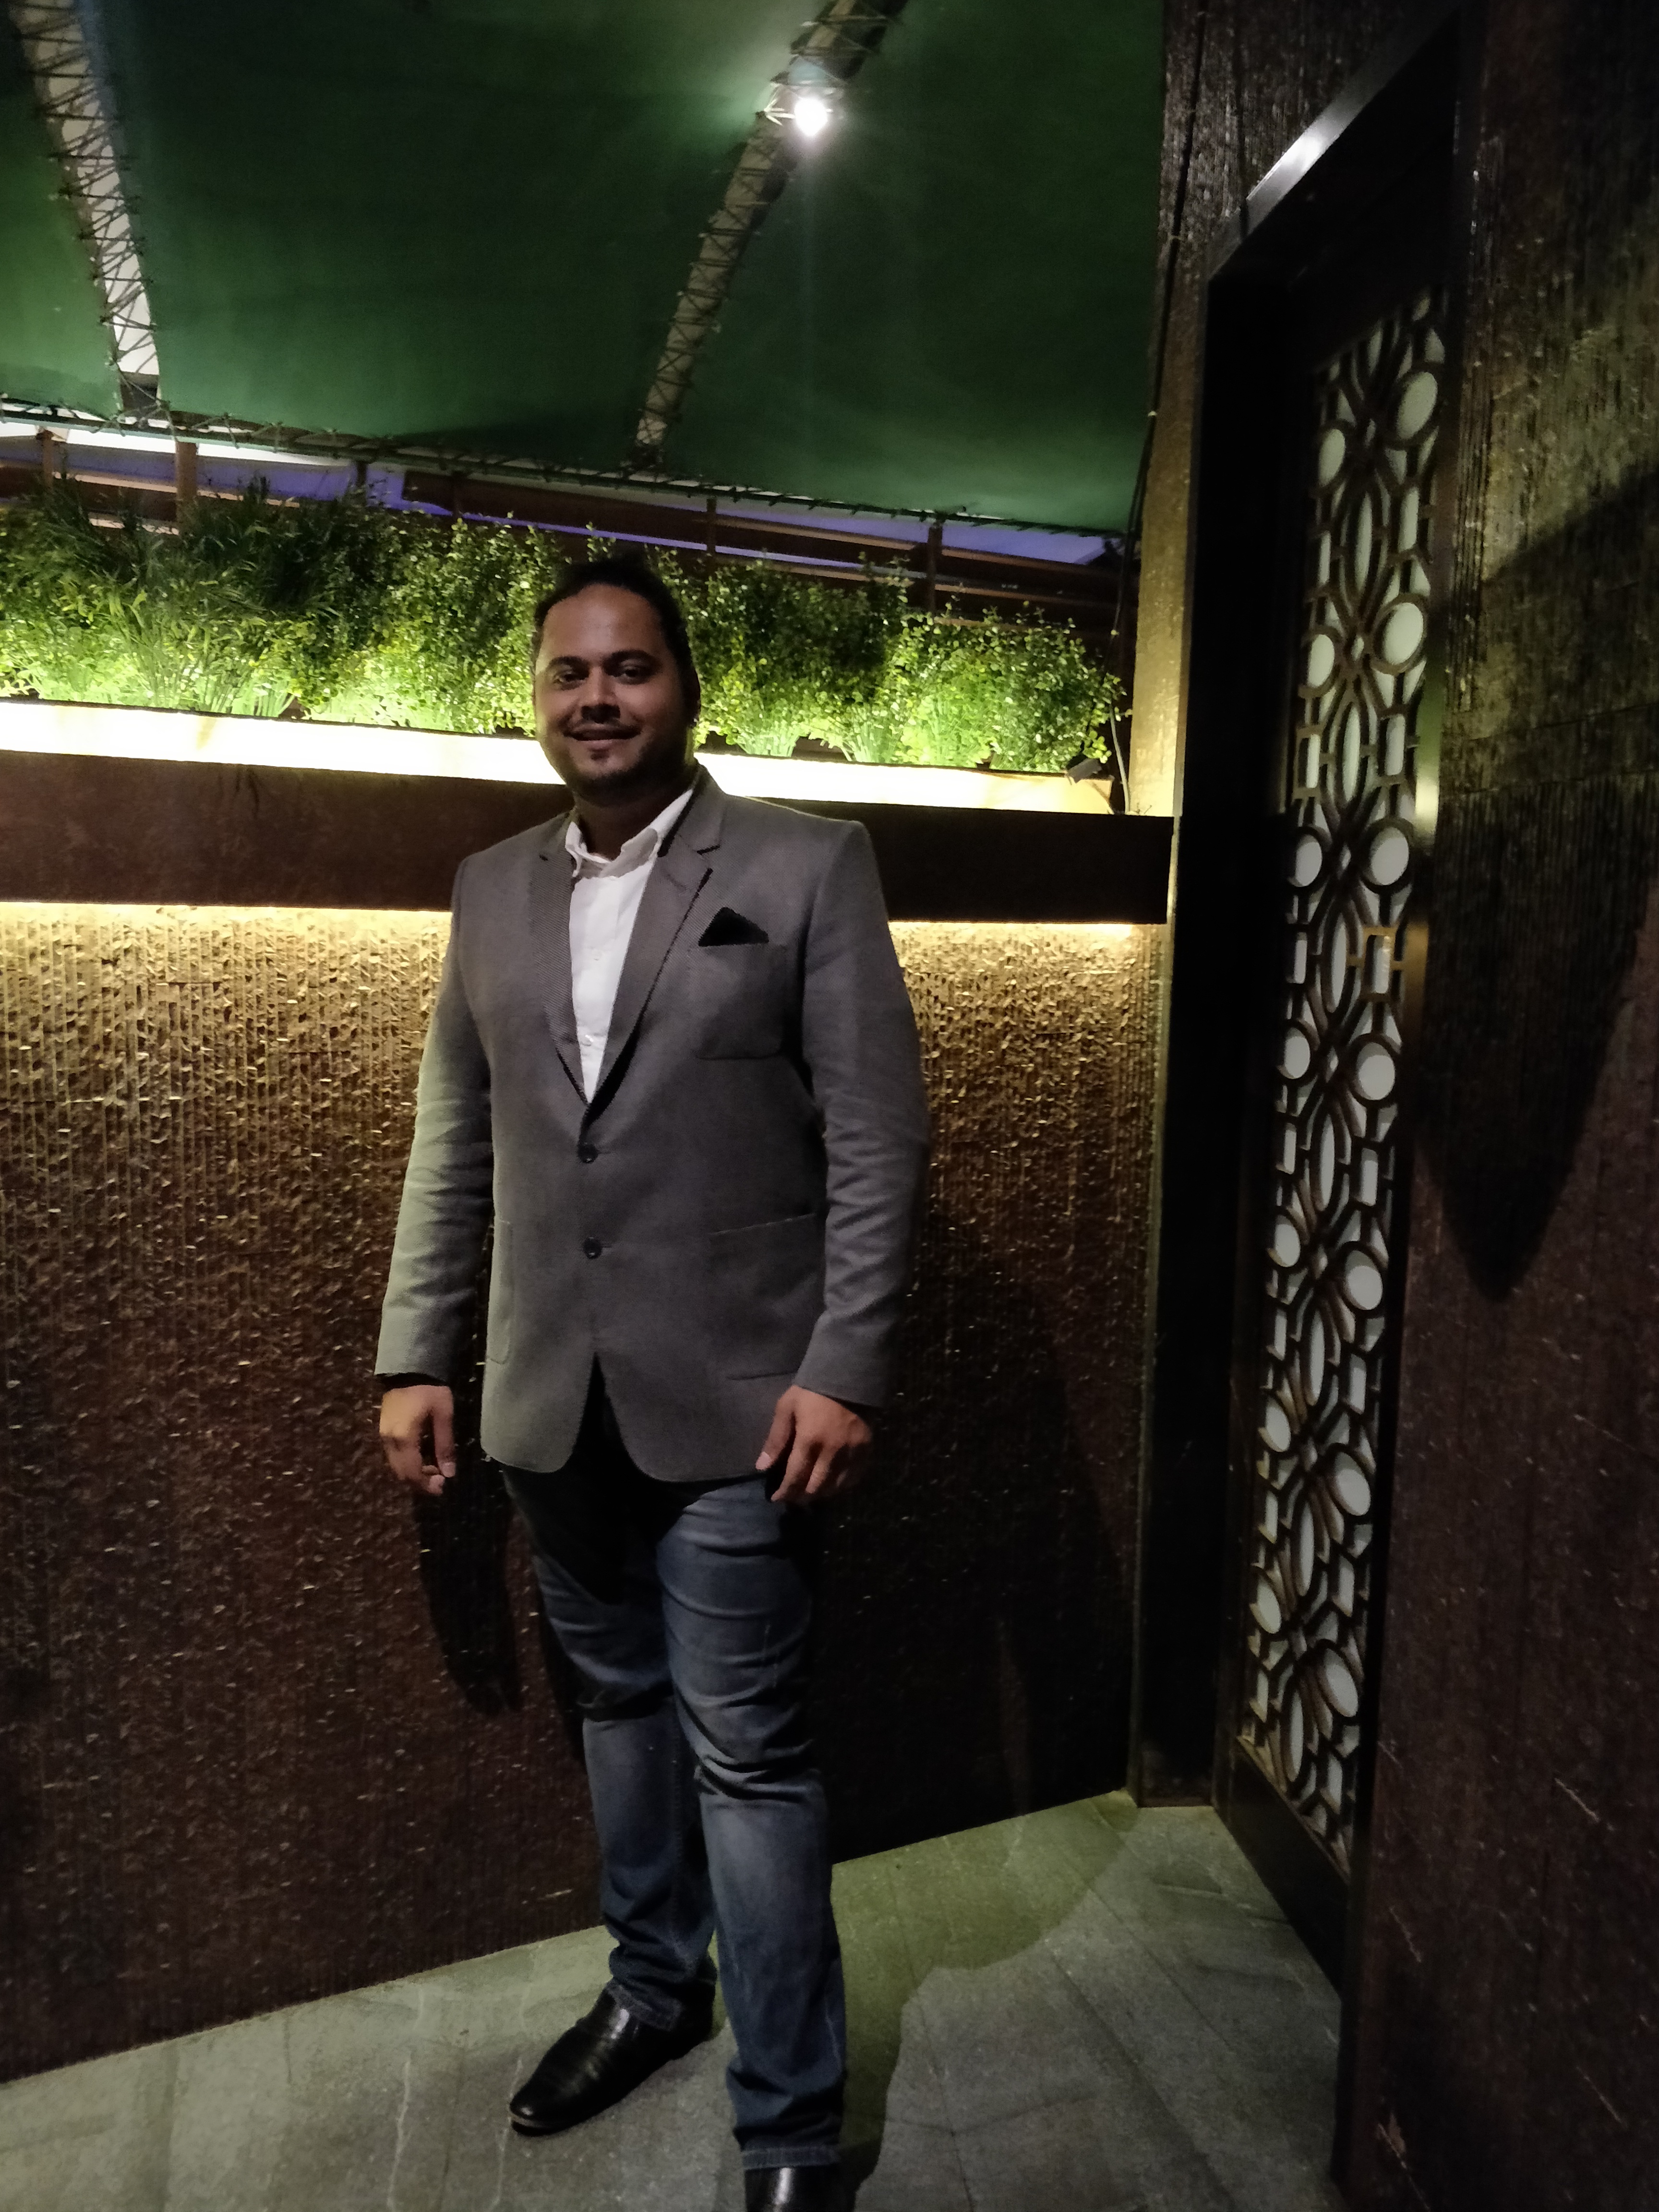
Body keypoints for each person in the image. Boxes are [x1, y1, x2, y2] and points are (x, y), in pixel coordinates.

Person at [375, 555, 929, 2210]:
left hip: (746, 1405)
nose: (597, 698)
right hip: (552, 1396)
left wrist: (847, 1366)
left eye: (629, 669)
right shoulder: (487, 887)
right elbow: (457, 1140)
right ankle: (651, 1989)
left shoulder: (807, 863)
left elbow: (879, 1138)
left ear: (686, 686)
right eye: (569, 674)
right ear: (537, 700)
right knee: (618, 1712)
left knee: (748, 1752)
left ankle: (791, 2123)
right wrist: (418, 1348)